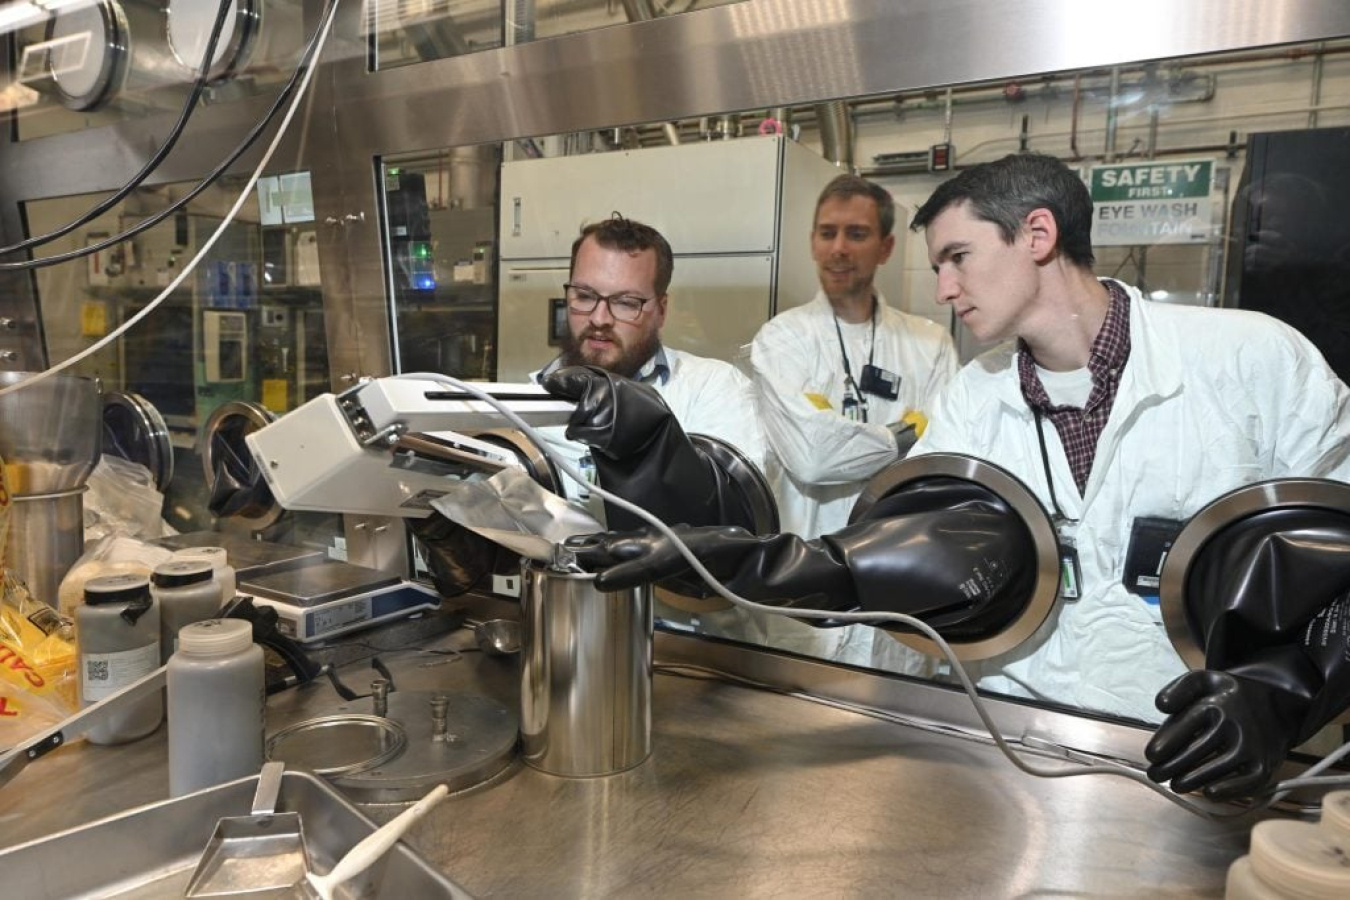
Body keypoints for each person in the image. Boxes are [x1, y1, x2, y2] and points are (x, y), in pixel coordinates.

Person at [572, 153, 1350, 800]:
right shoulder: (976, 396)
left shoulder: (1254, 361)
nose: (942, 288)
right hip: (1018, 750)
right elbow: (927, 549)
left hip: (1201, 759)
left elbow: (1337, 556)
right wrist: (761, 563)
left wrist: (1280, 692)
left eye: (956, 258)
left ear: (1037, 235)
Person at [413, 214, 767, 595]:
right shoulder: (524, 404)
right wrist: (452, 530)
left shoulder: (714, 387)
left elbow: (735, 528)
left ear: (661, 309)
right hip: (562, 623)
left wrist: (646, 440)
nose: (599, 319)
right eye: (584, 296)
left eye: (626, 302)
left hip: (689, 637)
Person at [747, 174, 957, 664]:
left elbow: (939, 462)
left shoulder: (929, 344)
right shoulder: (783, 340)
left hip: (898, 586)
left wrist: (848, 437)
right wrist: (903, 433)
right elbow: (813, 457)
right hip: (804, 586)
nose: (839, 249)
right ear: (812, 242)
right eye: (827, 233)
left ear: (885, 247)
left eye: (856, 234)